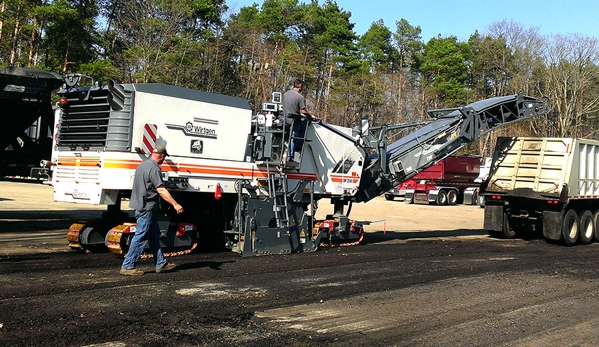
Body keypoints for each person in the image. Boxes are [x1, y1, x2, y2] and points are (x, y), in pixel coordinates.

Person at [120, 145, 184, 276]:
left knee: (154, 234)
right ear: (161, 155)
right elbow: (161, 190)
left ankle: (160, 263)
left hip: (139, 205)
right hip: (146, 208)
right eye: (164, 157)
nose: (163, 160)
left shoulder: (141, 165)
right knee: (141, 235)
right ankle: (128, 266)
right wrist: (175, 204)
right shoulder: (154, 169)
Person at [282, 79, 317, 165]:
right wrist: (311, 116)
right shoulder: (299, 97)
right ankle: (292, 156)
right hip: (294, 121)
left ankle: (286, 153)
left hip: (284, 120)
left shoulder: (285, 95)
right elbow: (303, 111)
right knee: (295, 136)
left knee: (288, 137)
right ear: (300, 86)